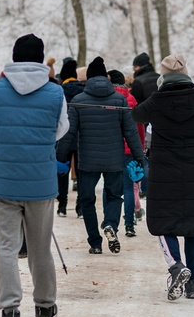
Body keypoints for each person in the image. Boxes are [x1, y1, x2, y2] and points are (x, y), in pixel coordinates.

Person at [0, 33, 69, 317]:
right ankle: (44, 308)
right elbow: (61, 130)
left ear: (14, 57)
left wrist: (7, 141)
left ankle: (9, 315)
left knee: (6, 248)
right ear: (42, 59)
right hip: (40, 183)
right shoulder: (56, 94)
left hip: (2, 180)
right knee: (40, 248)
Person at [132, 55, 194, 300]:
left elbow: (136, 115)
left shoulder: (156, 101)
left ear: (163, 75)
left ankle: (176, 266)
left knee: (163, 223)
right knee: (193, 227)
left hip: (164, 172)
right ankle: (193, 283)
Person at [57, 56, 144, 254]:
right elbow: (130, 131)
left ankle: (95, 243)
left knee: (87, 200)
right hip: (114, 158)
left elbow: (69, 133)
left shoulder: (78, 101)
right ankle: (110, 224)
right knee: (114, 195)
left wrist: (61, 159)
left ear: (87, 79)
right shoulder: (119, 99)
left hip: (87, 160)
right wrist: (139, 157)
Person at [109, 69, 145, 237]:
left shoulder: (107, 99)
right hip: (130, 151)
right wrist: (141, 148)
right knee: (130, 188)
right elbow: (139, 128)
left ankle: (110, 224)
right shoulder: (131, 100)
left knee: (110, 189)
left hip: (112, 150)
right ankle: (129, 225)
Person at [56, 58, 84, 218]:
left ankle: (62, 206)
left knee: (62, 171)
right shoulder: (83, 90)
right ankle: (80, 207)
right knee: (80, 172)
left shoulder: (59, 91)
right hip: (81, 136)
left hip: (63, 136)